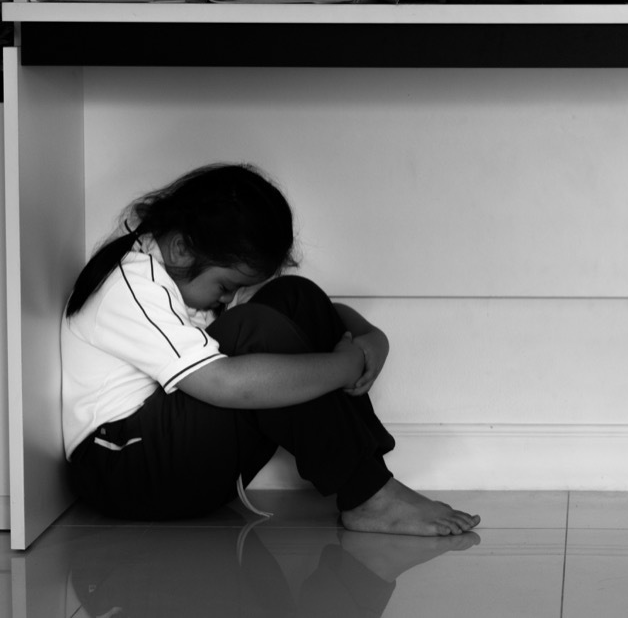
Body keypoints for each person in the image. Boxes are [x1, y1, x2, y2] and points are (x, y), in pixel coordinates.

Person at [60, 162, 480, 536]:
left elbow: (302, 314)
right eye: (225, 287)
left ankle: (370, 484)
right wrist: (345, 366)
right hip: (123, 471)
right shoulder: (131, 285)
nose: (225, 301)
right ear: (182, 248)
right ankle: (370, 495)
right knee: (255, 328)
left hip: (170, 454)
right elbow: (222, 383)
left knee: (294, 296)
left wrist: (371, 339)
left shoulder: (182, 272)